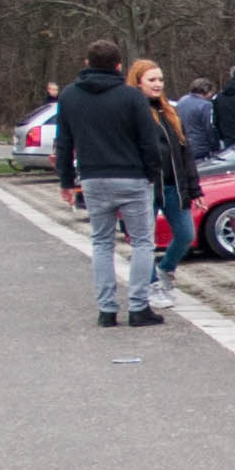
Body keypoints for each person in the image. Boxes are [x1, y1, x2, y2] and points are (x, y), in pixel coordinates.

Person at [52, 40, 170, 327]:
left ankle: (106, 309)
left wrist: (66, 181)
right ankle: (139, 307)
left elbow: (64, 143)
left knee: (102, 243)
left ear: (86, 63)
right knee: (142, 242)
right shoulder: (132, 97)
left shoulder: (69, 96)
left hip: (93, 178)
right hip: (132, 177)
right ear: (119, 66)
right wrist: (152, 173)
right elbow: (149, 141)